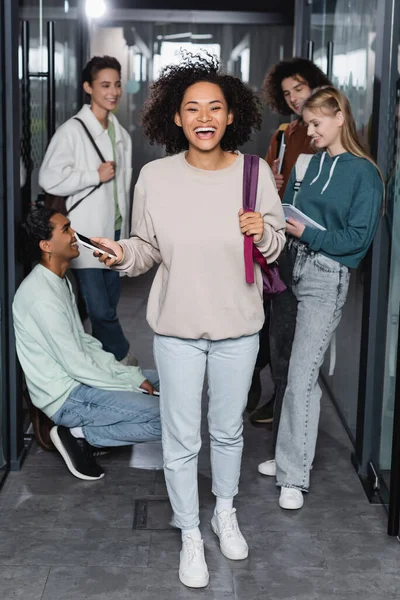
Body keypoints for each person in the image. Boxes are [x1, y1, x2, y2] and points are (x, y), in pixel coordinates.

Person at [92, 53, 286, 588]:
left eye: (215, 107)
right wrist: (119, 255)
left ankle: (225, 512)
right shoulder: (156, 177)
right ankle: (191, 534)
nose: (204, 116)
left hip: (239, 329)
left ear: (231, 116)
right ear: (175, 118)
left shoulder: (254, 174)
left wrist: (261, 232)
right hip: (176, 330)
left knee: (226, 433)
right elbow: (145, 249)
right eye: (192, 108)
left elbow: (274, 250)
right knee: (181, 441)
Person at [258, 86, 383, 509]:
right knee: (293, 372)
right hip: (291, 268)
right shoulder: (309, 163)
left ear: (339, 118)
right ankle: (288, 455)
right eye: (307, 123)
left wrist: (306, 232)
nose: (309, 131)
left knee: (301, 376)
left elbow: (356, 242)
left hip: (326, 278)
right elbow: (288, 210)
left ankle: (294, 476)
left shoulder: (364, 173)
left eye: (316, 123)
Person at [13, 208, 162, 482]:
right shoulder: (40, 296)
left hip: (80, 380)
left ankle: (87, 429)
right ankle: (79, 434)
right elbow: (76, 364)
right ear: (46, 246)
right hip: (67, 395)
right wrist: (131, 383)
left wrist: (127, 374)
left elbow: (83, 343)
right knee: (169, 419)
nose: (74, 235)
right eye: (67, 229)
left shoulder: (60, 280)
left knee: (168, 382)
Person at [248, 58, 332, 426]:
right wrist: (274, 184)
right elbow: (268, 183)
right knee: (268, 324)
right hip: (281, 239)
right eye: (287, 93)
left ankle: (280, 402)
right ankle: (262, 389)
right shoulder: (283, 135)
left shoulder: (330, 132)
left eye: (299, 88)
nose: (295, 97)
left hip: (314, 243)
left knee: (289, 333)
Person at [39, 56, 136, 366]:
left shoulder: (121, 135)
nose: (113, 92)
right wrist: (93, 175)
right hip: (85, 233)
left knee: (108, 303)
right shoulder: (73, 131)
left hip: (115, 231)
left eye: (117, 84)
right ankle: (121, 358)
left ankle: (101, 365)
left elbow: (122, 192)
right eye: (105, 85)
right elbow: (48, 177)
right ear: (87, 87)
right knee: (99, 308)